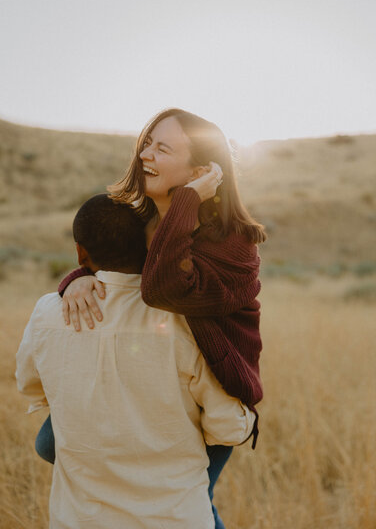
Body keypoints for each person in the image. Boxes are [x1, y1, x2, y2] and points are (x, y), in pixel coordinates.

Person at [57, 108, 266, 527]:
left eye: (162, 147)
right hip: (146, 390)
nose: (144, 154)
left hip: (209, 397)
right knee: (51, 442)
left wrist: (187, 200)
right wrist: (76, 280)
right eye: (146, 141)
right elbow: (105, 264)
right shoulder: (138, 221)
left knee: (187, 504)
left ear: (202, 171)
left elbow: (163, 289)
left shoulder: (233, 243)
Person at [16, 194, 256, 529]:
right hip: (174, 519)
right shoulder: (183, 319)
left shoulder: (48, 312)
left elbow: (29, 387)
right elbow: (228, 428)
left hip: (77, 520)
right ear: (152, 246)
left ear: (80, 253)